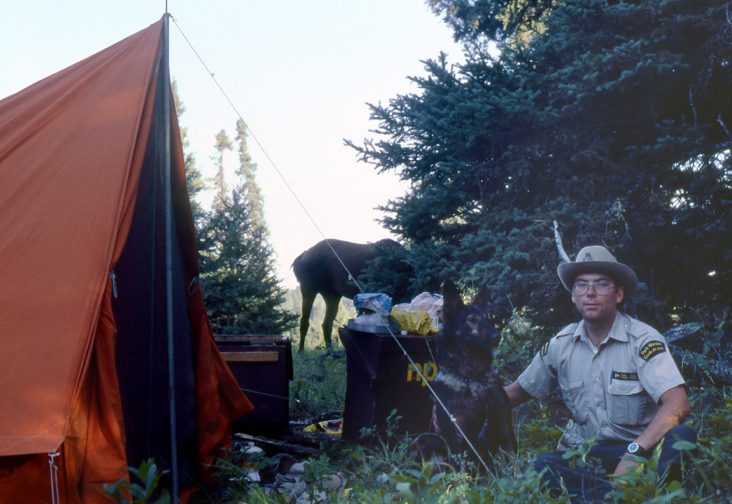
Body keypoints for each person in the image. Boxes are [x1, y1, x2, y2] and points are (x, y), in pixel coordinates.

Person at [504, 245, 694, 502]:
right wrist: (451, 395)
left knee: (682, 438)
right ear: (573, 296)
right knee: (542, 467)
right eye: (581, 285)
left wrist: (634, 452)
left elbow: (678, 404)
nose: (590, 293)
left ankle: (619, 493)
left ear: (618, 294)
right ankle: (619, 495)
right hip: (586, 456)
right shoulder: (560, 345)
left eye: (601, 284)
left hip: (639, 449)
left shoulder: (642, 340)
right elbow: (512, 395)